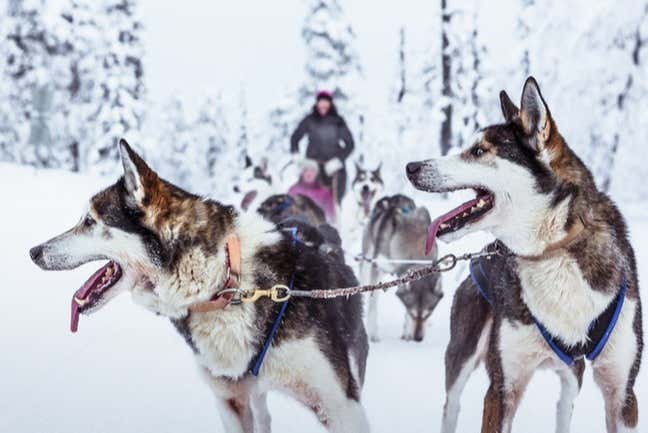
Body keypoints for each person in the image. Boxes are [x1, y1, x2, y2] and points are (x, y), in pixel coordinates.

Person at [290, 90, 354, 204]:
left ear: (330, 104)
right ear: (317, 103)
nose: (323, 105)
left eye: (326, 102)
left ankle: (334, 220)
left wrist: (338, 160)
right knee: (307, 199)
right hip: (313, 166)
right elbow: (295, 137)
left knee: (334, 201)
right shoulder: (309, 120)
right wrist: (296, 154)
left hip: (334, 168)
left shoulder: (338, 121)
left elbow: (350, 144)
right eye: (321, 102)